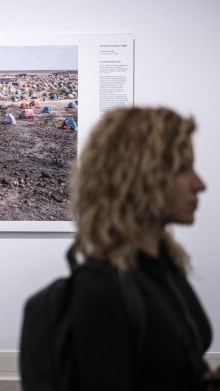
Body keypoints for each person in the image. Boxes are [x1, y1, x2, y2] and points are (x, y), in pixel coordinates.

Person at [69, 107, 220, 390]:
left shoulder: (166, 264)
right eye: (182, 168)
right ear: (140, 177)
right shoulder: (101, 290)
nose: (200, 184)